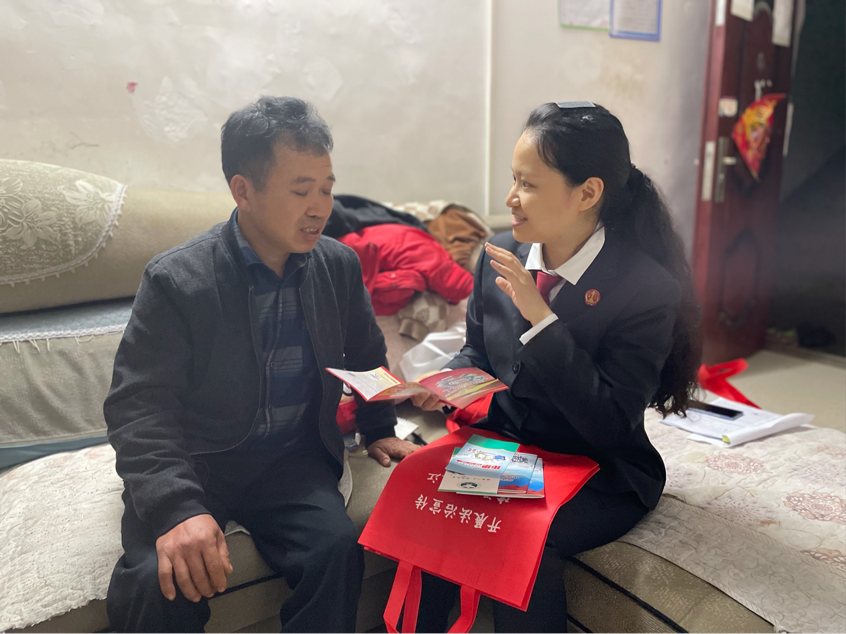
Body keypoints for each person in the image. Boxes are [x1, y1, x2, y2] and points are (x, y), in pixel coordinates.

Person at [104, 96, 417, 634]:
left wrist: (379, 427)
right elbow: (139, 408)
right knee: (159, 580)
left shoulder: (337, 266)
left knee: (335, 550)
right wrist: (177, 509)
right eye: (301, 190)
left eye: (326, 188)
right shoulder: (177, 280)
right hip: (199, 459)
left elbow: (366, 355)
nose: (319, 207)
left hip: (291, 461)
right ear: (243, 190)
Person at [411, 101, 701, 633]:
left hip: (598, 468)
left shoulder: (645, 288)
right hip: (512, 454)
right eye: (513, 179)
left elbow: (610, 422)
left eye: (527, 184)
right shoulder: (500, 254)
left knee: (521, 537)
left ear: (587, 193)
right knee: (428, 502)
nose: (509, 199)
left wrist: (541, 320)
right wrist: (445, 383)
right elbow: (477, 352)